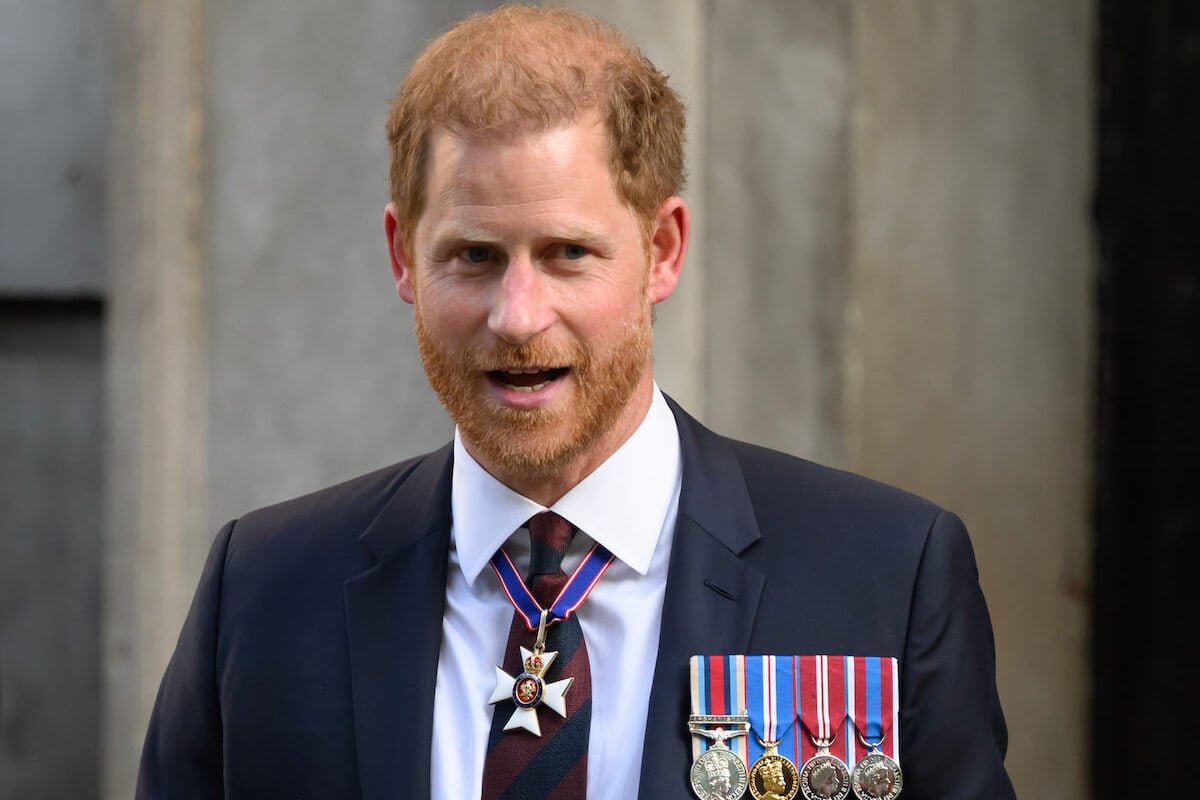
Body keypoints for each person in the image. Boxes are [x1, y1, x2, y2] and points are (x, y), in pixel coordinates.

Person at [136, 5, 1016, 800]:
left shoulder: (882, 575)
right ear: (403, 256)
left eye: (567, 253)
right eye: (474, 256)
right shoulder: (265, 593)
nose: (518, 318)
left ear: (662, 250)